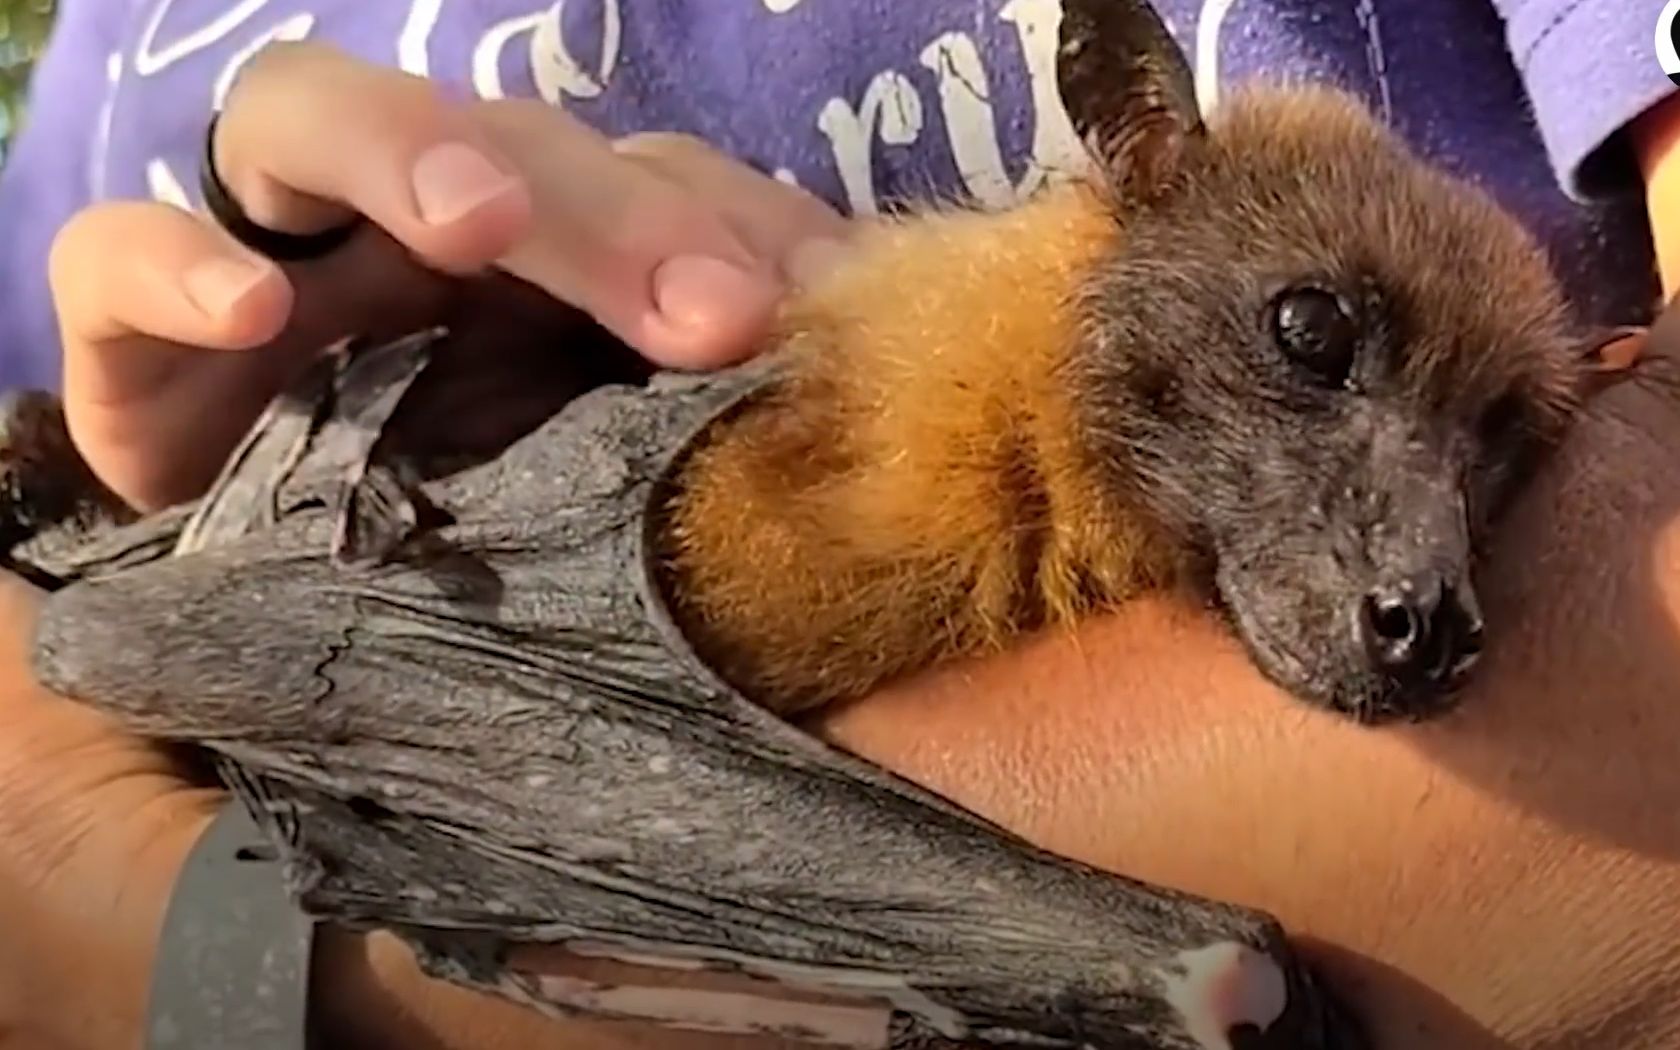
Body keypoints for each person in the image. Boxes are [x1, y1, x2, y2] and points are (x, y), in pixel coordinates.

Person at [0, 1, 1677, 1047]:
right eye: (1316, 351)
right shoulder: (100, 77)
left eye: (1497, 438)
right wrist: (270, 406)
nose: (1424, 547)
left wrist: (214, 959)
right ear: (1133, 136)